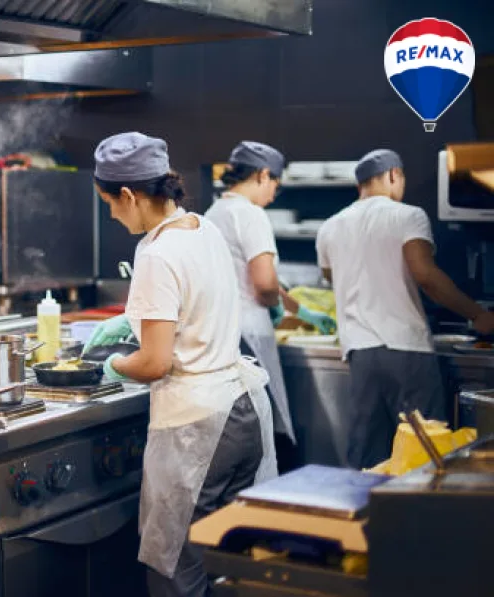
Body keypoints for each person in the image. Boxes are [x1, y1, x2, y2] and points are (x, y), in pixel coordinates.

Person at [83, 132, 277, 597]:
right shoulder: (202, 228)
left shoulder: (155, 252)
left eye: (110, 203)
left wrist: (114, 364)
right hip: (243, 410)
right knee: (227, 564)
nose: (112, 214)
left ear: (129, 195)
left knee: (176, 569)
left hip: (198, 429)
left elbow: (154, 362)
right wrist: (131, 325)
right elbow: (193, 312)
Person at [316, 149, 494, 470]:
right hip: (407, 349)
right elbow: (425, 275)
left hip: (360, 352)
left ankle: (363, 516)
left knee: (368, 456)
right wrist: (477, 314)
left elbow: (331, 277)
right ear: (394, 175)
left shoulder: (330, 227)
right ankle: (420, 516)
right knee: (424, 448)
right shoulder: (407, 215)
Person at [205, 141, 336, 470]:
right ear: (263, 175)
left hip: (219, 332)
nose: (275, 192)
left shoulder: (212, 213)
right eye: (276, 182)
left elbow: (250, 278)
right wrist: (274, 306)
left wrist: (298, 309)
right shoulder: (251, 215)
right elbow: (263, 284)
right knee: (261, 428)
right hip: (250, 333)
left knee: (234, 427)